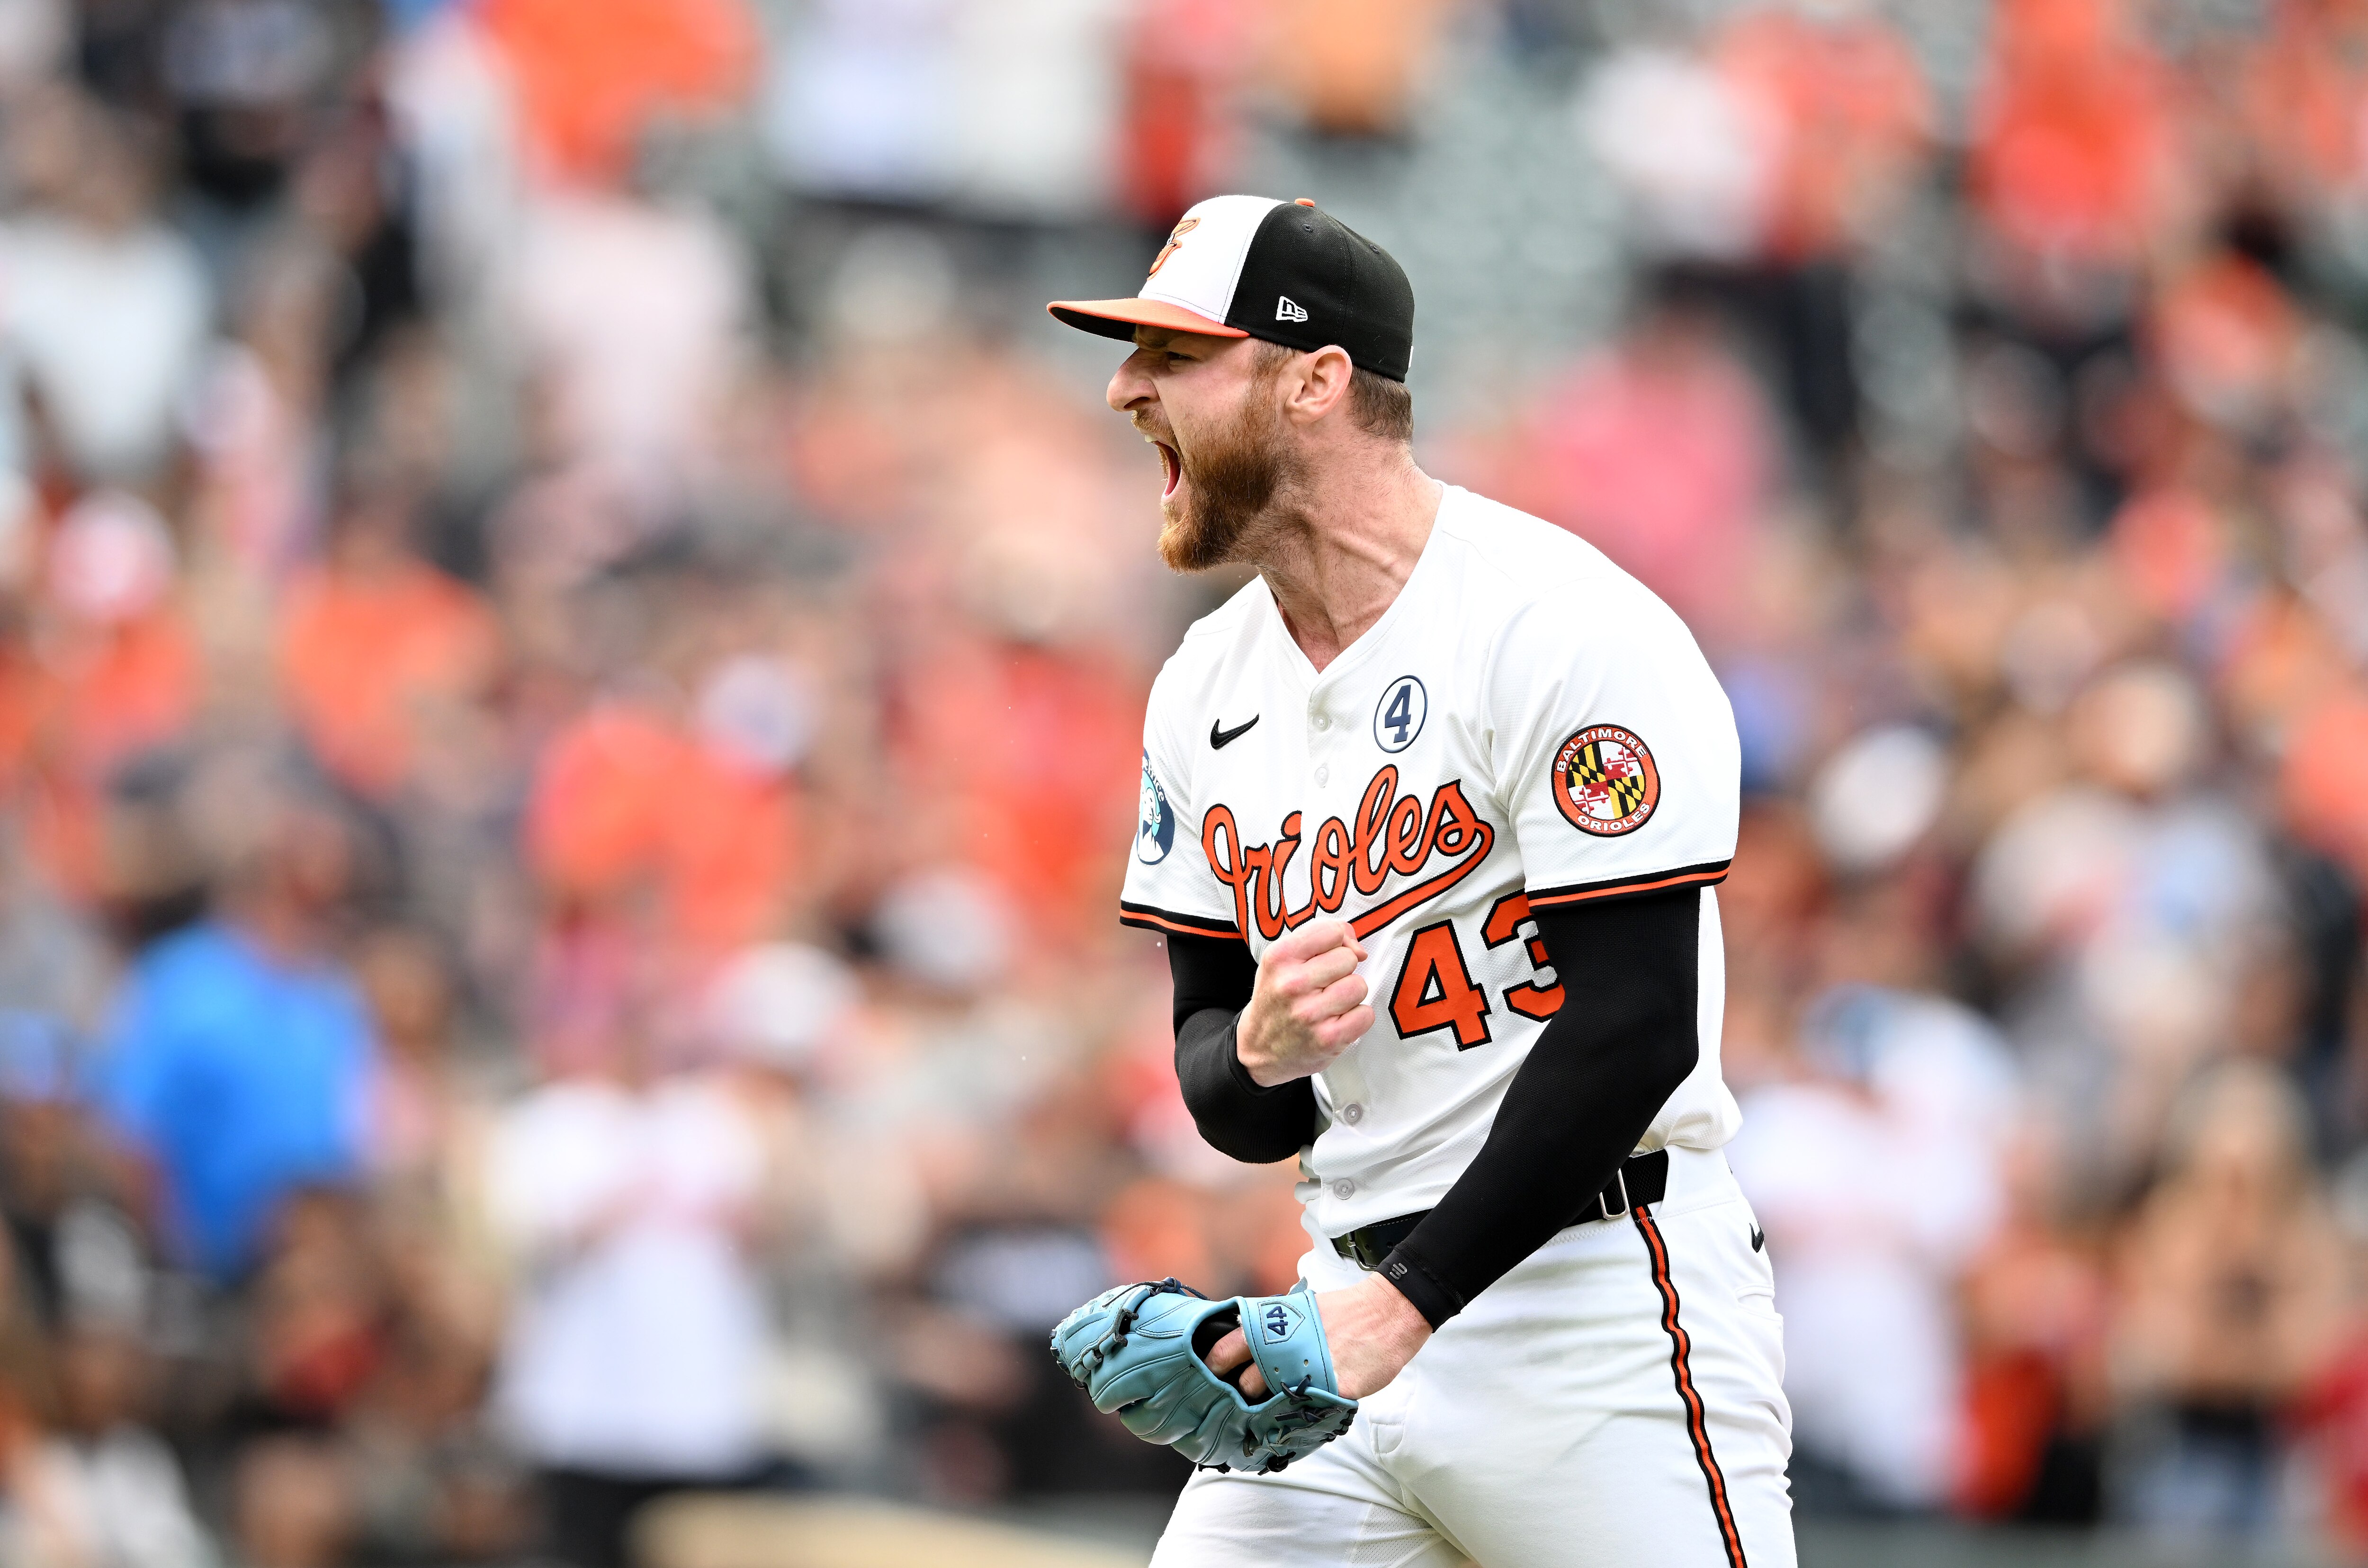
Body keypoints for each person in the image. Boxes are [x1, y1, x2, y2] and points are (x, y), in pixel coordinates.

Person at [1046, 194, 1792, 1566]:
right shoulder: (1202, 688)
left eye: (1174, 355)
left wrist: (1410, 1308)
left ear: (1316, 382)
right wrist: (1260, 1054)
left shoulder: (1558, 624)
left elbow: (1639, 1023)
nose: (1124, 387)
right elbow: (1227, 1089)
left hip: (1596, 1310)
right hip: (1343, 1314)